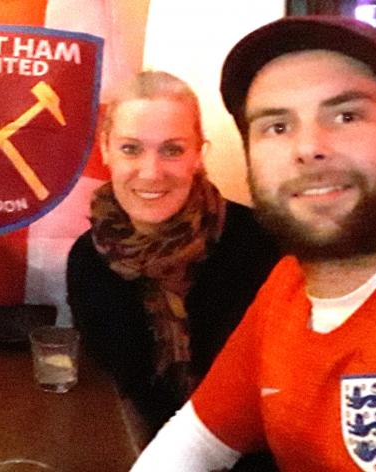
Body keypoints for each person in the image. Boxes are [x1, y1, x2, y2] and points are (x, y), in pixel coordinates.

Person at [132, 16, 376, 471]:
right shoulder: (286, 288)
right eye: (276, 126)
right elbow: (196, 439)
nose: (308, 147)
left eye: (346, 115)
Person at [66, 71, 281, 469]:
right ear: (106, 150)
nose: (150, 172)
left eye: (172, 150)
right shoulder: (88, 261)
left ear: (198, 153)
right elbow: (121, 391)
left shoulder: (264, 246)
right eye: (131, 149)